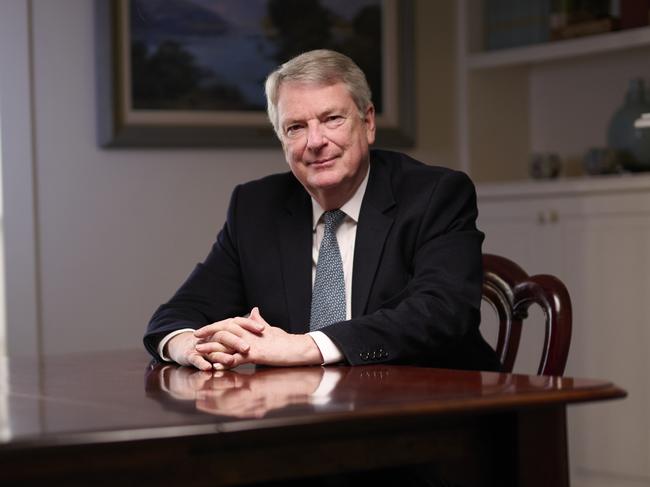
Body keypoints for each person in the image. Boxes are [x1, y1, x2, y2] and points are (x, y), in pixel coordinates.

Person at [144, 49, 500, 374]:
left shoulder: (434, 195)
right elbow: (178, 313)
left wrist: (307, 346)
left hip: (432, 412)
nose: (315, 142)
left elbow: (442, 312)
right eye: (296, 127)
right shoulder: (255, 207)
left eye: (331, 119)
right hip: (300, 419)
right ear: (282, 140)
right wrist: (191, 345)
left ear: (369, 122)